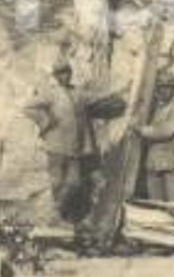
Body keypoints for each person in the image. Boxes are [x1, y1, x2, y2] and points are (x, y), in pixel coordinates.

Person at [23, 54, 124, 231]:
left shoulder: (78, 93)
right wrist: (46, 120)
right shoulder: (50, 93)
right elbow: (28, 107)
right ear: (55, 76)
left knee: (76, 182)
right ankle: (58, 218)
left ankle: (65, 216)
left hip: (77, 148)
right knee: (57, 182)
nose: (65, 76)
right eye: (60, 73)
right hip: (56, 146)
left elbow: (96, 98)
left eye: (67, 73)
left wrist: (119, 92)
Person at [136, 71, 174, 203]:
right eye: (161, 87)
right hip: (154, 165)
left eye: (167, 87)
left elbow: (167, 131)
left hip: (172, 165)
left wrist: (141, 130)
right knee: (156, 208)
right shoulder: (155, 108)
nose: (163, 91)